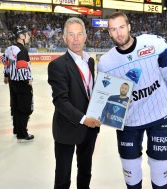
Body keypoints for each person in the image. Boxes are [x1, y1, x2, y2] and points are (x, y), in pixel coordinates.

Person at [97, 12, 167, 189]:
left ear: (129, 26)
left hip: (160, 115)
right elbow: (105, 98)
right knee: (130, 170)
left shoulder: (154, 43)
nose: (119, 33)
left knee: (160, 168)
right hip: (129, 121)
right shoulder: (106, 63)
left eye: (121, 27)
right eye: (113, 29)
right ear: (109, 33)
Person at [47, 17, 102, 189]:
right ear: (64, 38)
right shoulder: (57, 65)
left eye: (79, 34)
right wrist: (83, 119)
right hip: (67, 128)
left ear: (85, 37)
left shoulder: (90, 61)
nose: (76, 39)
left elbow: (90, 92)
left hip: (90, 129)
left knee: (85, 171)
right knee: (63, 177)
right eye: (71, 34)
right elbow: (60, 101)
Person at [1, 25, 34, 142]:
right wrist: (28, 81)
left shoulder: (9, 48)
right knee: (25, 108)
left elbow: (5, 62)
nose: (29, 36)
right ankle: (22, 133)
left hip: (13, 82)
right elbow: (21, 67)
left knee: (16, 106)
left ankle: (16, 129)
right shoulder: (22, 50)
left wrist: (6, 75)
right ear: (21, 36)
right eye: (27, 34)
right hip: (22, 83)